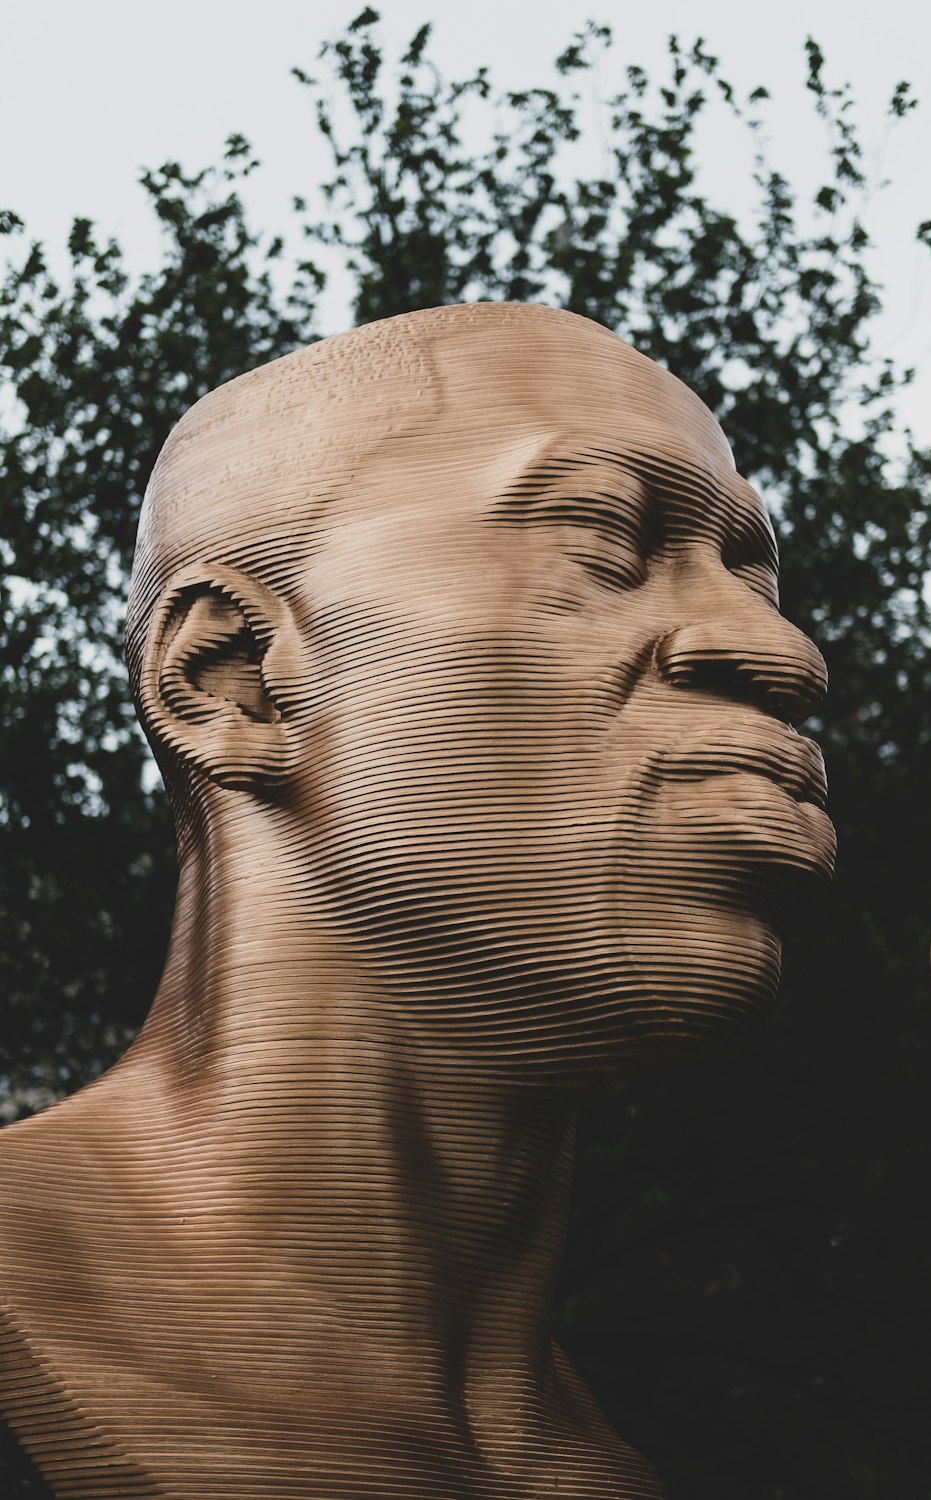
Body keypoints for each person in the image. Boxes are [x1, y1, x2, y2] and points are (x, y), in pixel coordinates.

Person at [0, 303, 834, 1499]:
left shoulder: (591, 1461)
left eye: (751, 573)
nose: (780, 649)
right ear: (230, 682)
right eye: (603, 539)